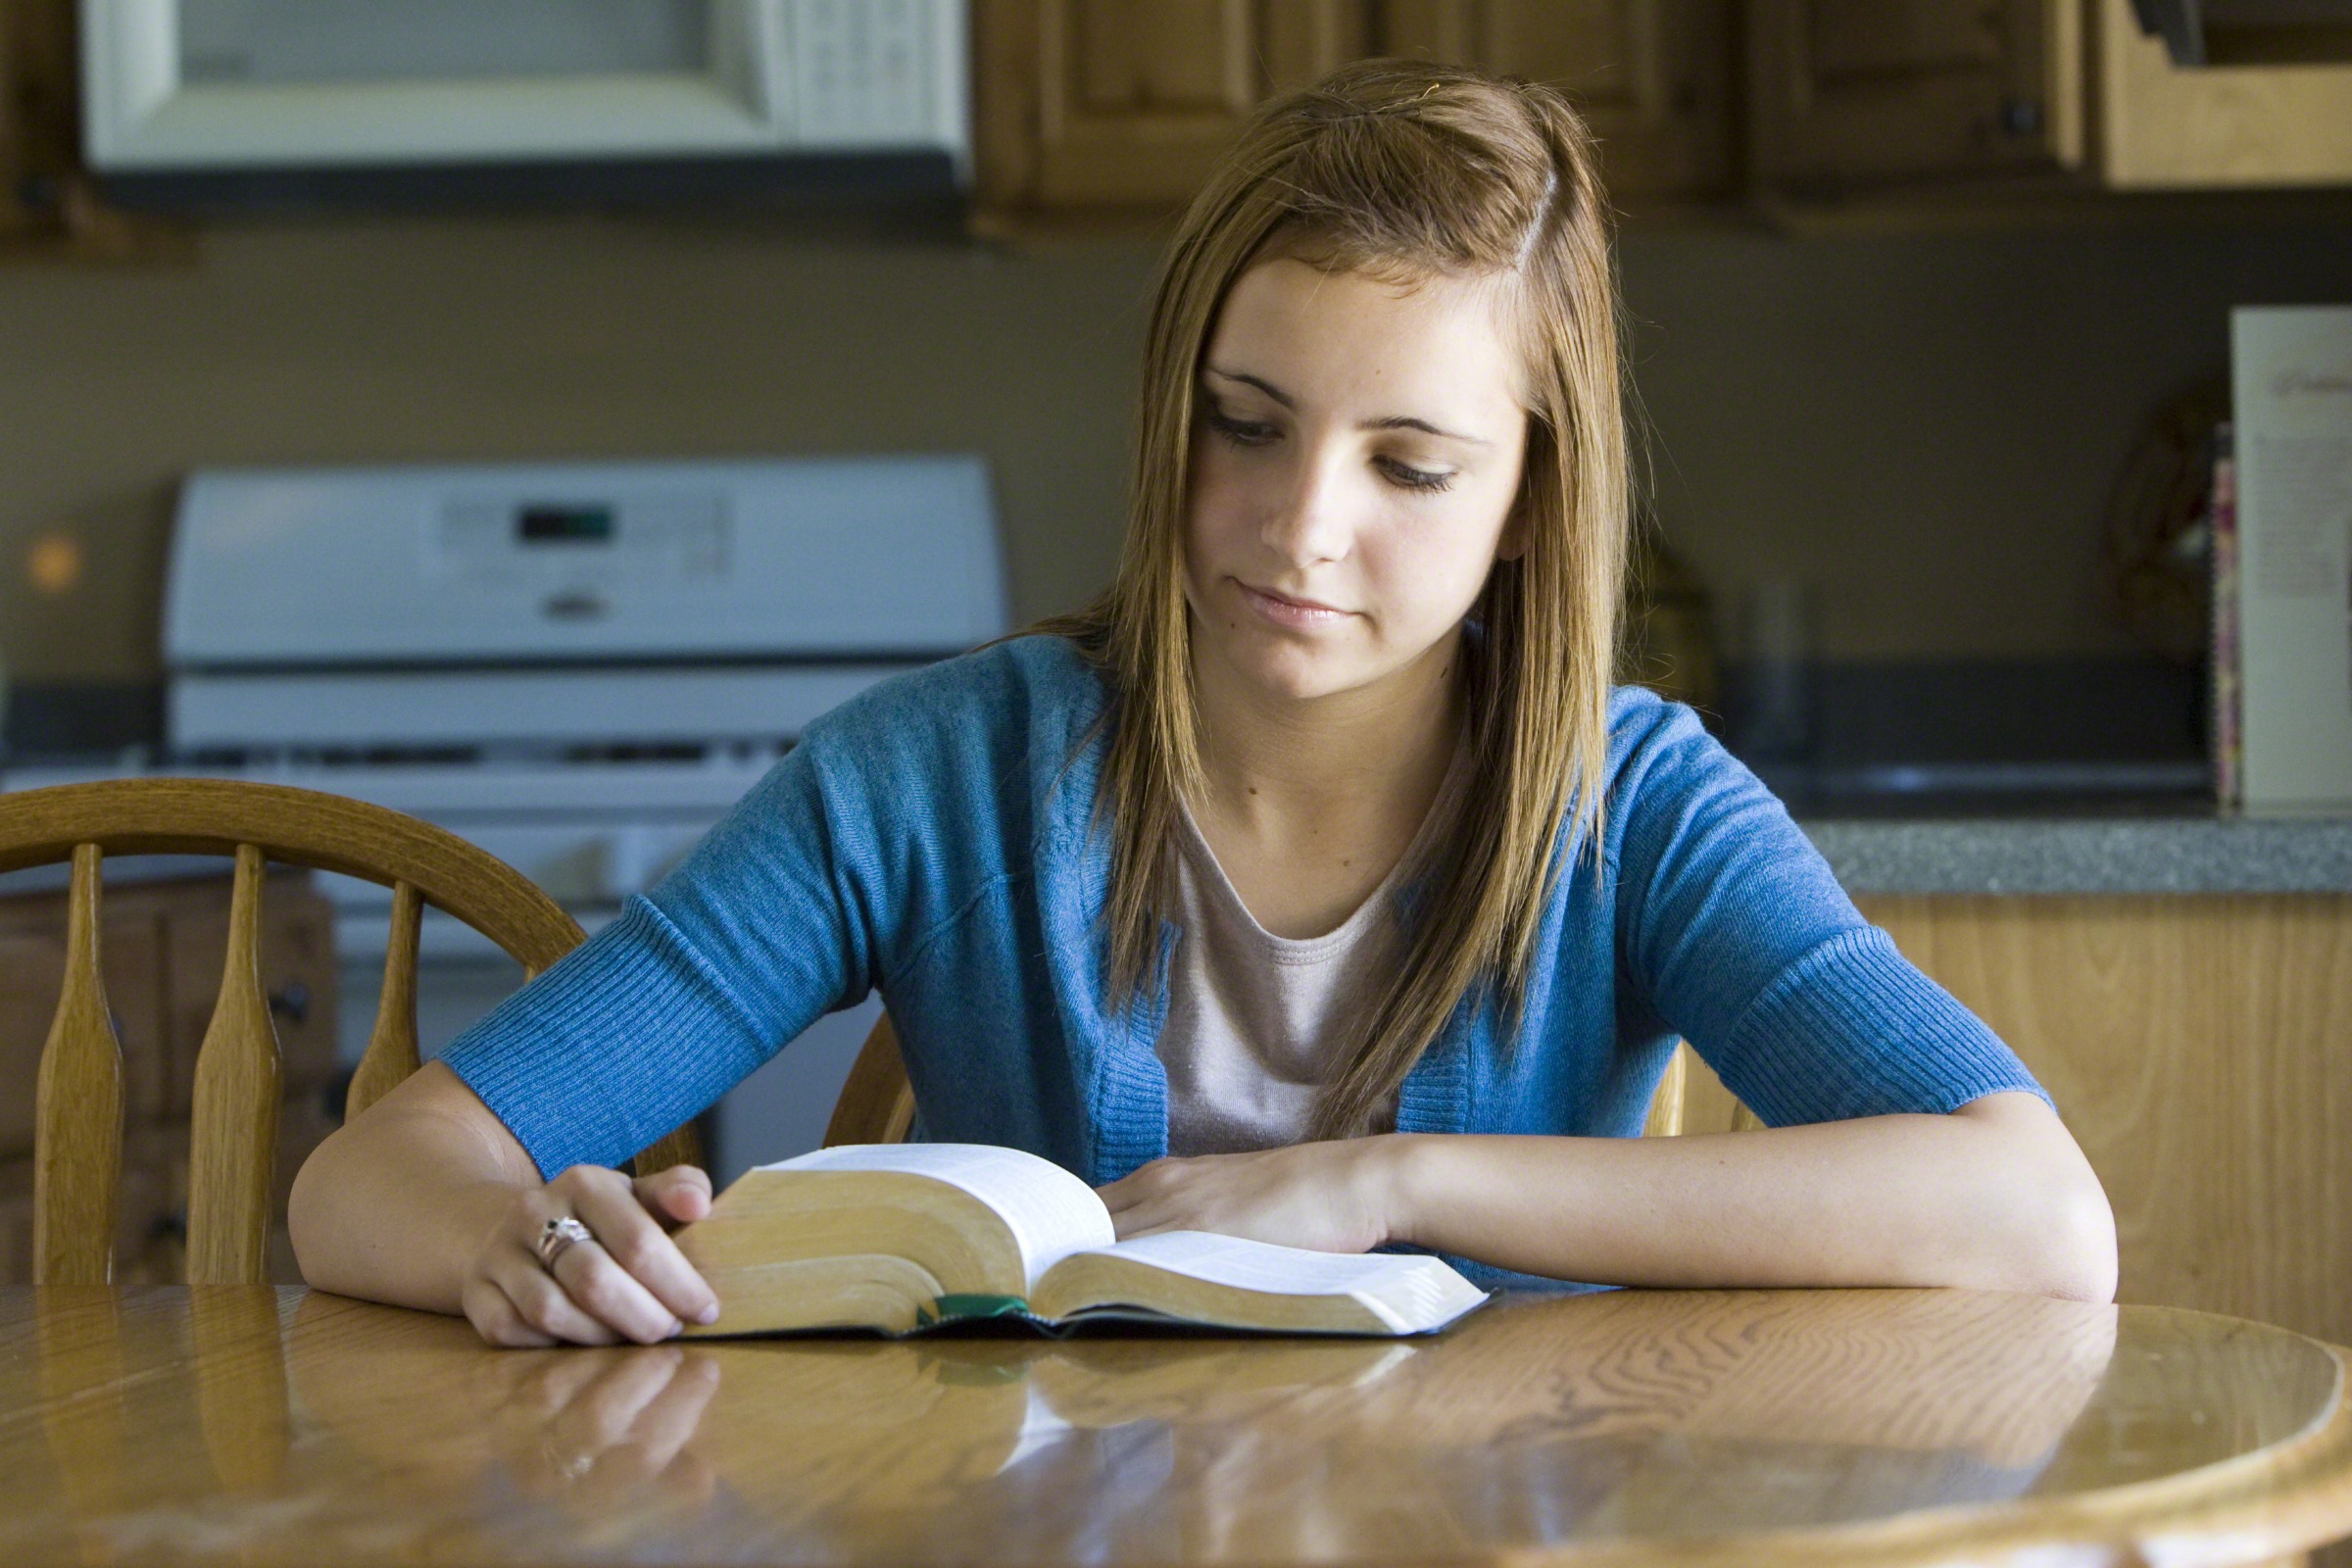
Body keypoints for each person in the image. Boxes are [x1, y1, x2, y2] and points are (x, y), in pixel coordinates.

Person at [289, 59, 2118, 1348]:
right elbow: (369, 1180)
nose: (1298, 529)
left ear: (1528, 497)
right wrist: (515, 1240)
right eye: (1247, 426)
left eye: (1409, 465)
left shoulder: (1630, 803)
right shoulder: (938, 775)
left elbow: (2034, 1218)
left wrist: (1389, 1185)